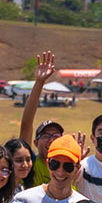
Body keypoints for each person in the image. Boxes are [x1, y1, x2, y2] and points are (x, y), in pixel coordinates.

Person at [18, 51, 65, 185]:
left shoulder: (67, 168)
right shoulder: (31, 164)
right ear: (36, 143)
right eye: (45, 136)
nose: (51, 140)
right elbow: (26, 124)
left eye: (56, 136)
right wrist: (40, 82)